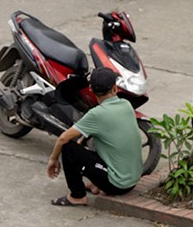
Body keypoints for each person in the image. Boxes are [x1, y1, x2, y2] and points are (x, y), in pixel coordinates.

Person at [44, 69, 143, 206]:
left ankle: (77, 196)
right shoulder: (126, 105)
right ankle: (95, 185)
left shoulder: (96, 114)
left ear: (91, 89)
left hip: (117, 185)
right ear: (115, 88)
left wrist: (53, 159)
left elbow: (63, 138)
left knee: (68, 148)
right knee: (97, 143)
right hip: (134, 179)